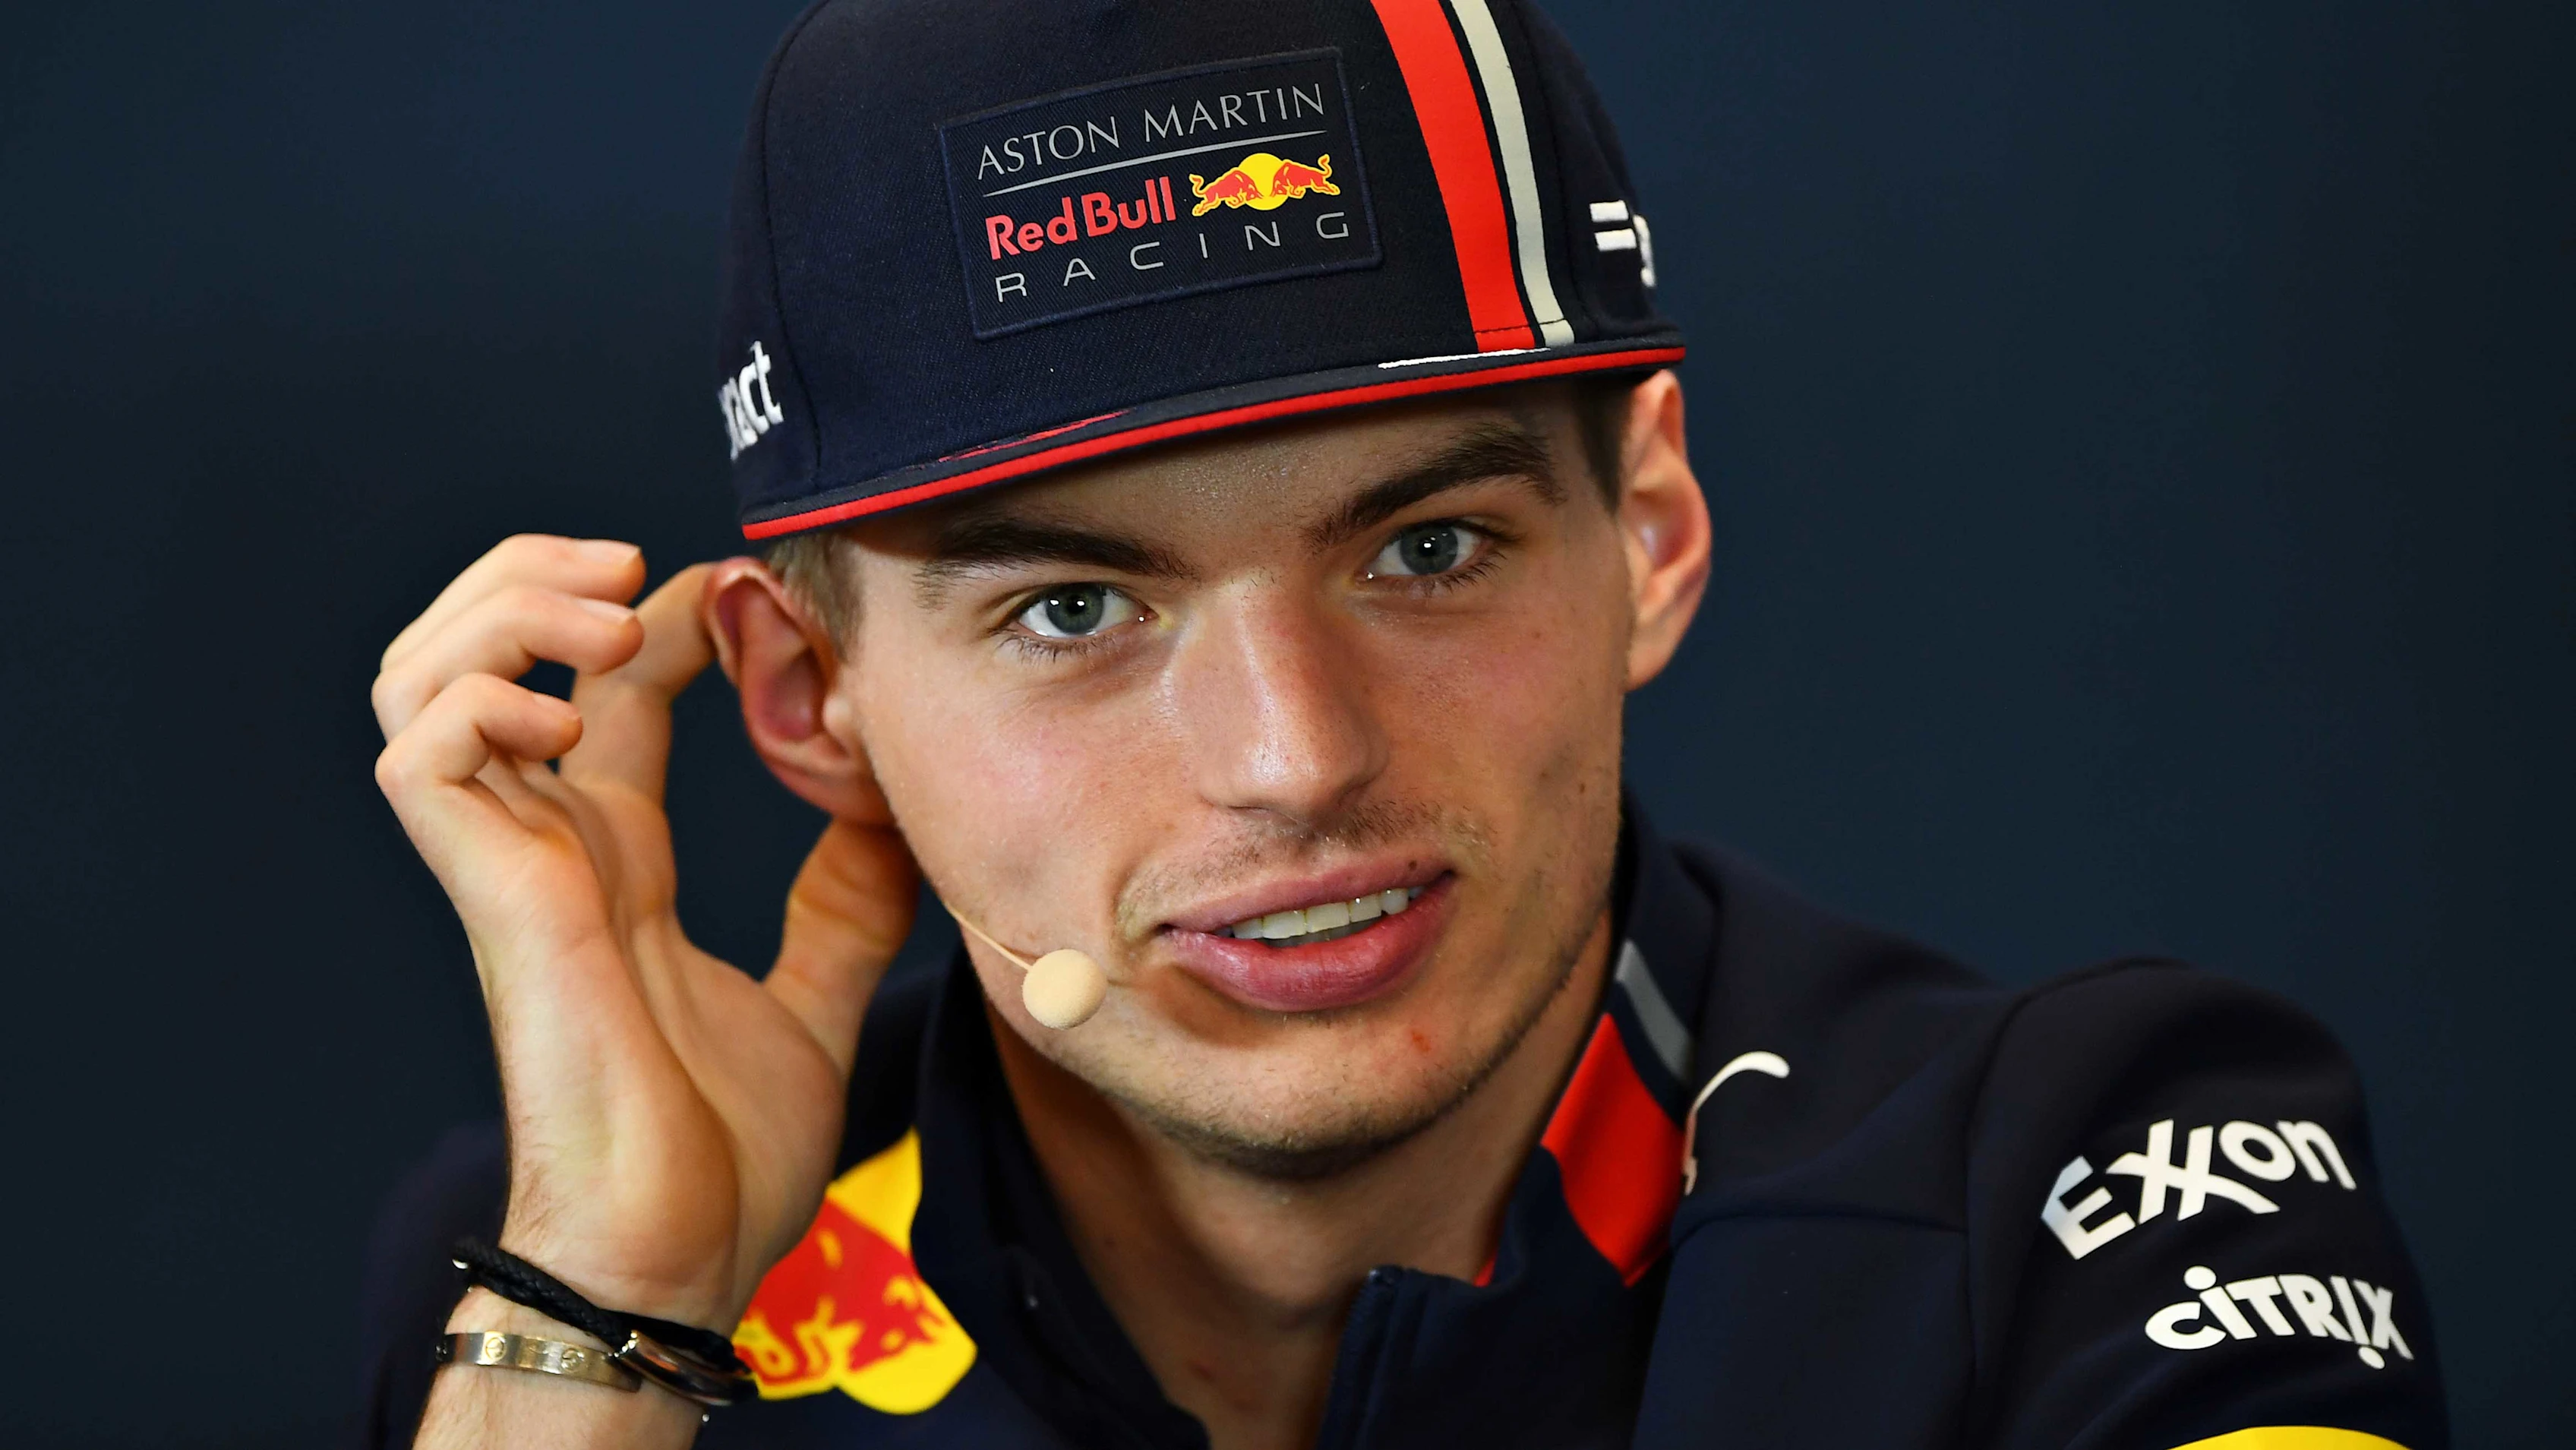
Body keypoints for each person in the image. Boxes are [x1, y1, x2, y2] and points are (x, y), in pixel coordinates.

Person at [356, 2, 2447, 1447]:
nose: (1297, 758)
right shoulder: (570, 1277)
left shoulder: (2100, 1177)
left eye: (1427, 549)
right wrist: (607, 1312)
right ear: (811, 696)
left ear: (1648, 530)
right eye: (1075, 607)